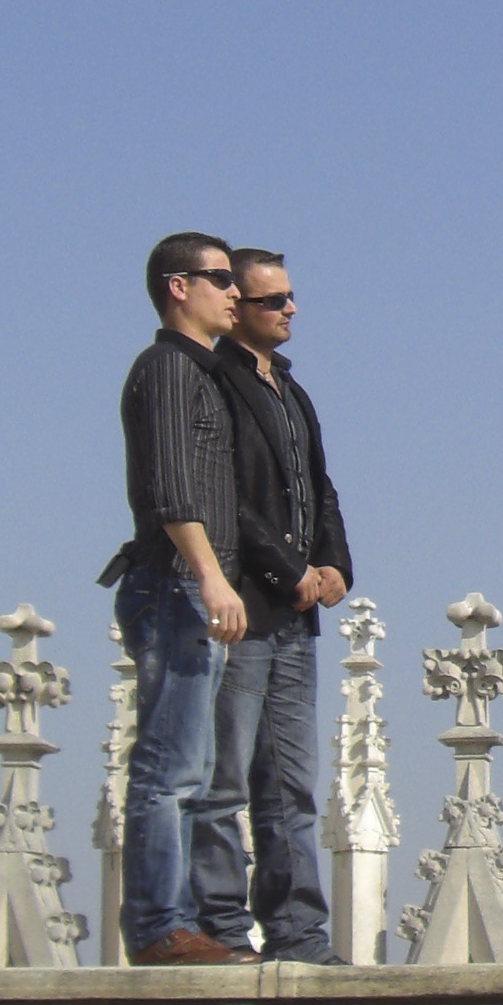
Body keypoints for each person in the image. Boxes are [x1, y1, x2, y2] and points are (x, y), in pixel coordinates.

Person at [187, 250, 353, 965]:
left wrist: (335, 565)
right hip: (245, 610)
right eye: (272, 300)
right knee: (223, 779)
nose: (290, 310)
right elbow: (221, 494)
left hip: (295, 617)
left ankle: (298, 935)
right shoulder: (213, 380)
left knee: (291, 783)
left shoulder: (290, 389)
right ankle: (223, 930)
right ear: (237, 308)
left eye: (289, 297)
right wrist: (290, 572)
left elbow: (319, 487)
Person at [96, 234, 250, 966]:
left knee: (191, 770)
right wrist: (209, 575)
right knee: (169, 768)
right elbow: (168, 488)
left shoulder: (204, 373)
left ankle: (179, 922)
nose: (235, 291)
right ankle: (161, 926)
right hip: (176, 585)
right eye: (220, 277)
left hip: (192, 586)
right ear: (177, 287)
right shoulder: (165, 368)